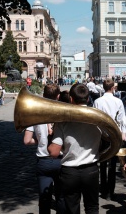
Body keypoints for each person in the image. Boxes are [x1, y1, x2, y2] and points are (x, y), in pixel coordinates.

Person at [48, 84, 102, 214]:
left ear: (71, 99)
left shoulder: (63, 121)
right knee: (92, 207)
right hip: (91, 169)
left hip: (70, 172)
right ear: (88, 99)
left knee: (72, 209)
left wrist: (50, 137)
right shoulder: (99, 118)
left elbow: (53, 152)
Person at [23, 83, 65, 214]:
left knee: (44, 199)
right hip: (61, 160)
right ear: (58, 96)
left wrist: (41, 140)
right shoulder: (65, 112)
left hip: (43, 161)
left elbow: (27, 140)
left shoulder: (34, 113)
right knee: (61, 197)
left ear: (43, 95)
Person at [93, 78, 125, 200]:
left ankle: (104, 189)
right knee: (112, 164)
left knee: (102, 162)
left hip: (102, 134)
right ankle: (111, 191)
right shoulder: (118, 101)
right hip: (114, 134)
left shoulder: (97, 101)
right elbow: (121, 120)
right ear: (113, 88)